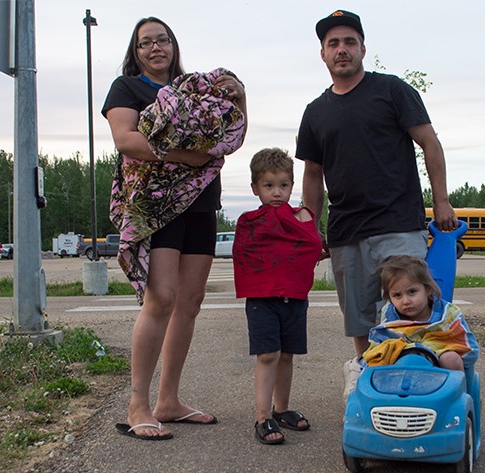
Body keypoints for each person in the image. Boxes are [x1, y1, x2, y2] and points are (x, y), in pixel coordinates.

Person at [102, 16, 247, 441]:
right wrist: (186, 157)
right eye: (146, 43)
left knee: (190, 301)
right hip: (156, 205)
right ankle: (138, 405)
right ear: (136, 51)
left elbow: (229, 133)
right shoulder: (126, 88)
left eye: (162, 40)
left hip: (201, 203)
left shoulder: (194, 90)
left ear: (173, 45)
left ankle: (169, 401)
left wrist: (241, 95)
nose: (156, 48)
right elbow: (126, 140)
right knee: (161, 298)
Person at [296, 10, 458, 366]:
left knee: (412, 307)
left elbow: (429, 143)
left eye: (349, 42)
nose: (342, 50)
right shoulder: (315, 112)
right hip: (345, 233)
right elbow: (312, 174)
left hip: (398, 224)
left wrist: (442, 200)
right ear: (322, 53)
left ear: (363, 49)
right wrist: (310, 226)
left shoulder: (392, 90)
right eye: (333, 43)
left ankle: (422, 379)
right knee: (359, 318)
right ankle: (369, 374)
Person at [232, 148, 323, 445]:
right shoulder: (249, 222)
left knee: (287, 355)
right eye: (268, 186)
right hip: (262, 299)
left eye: (283, 185)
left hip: (294, 297)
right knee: (268, 354)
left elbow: (311, 246)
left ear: (291, 187)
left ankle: (281, 409)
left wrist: (308, 230)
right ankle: (262, 416)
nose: (276, 193)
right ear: (255, 188)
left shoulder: (302, 217)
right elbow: (245, 256)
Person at [362, 255, 479, 372]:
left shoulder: (447, 315)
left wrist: (429, 349)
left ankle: (457, 389)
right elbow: (380, 346)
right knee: (378, 362)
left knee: (450, 358)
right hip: (402, 370)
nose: (406, 301)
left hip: (442, 373)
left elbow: (469, 350)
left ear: (428, 289)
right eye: (397, 295)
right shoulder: (390, 316)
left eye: (412, 292)